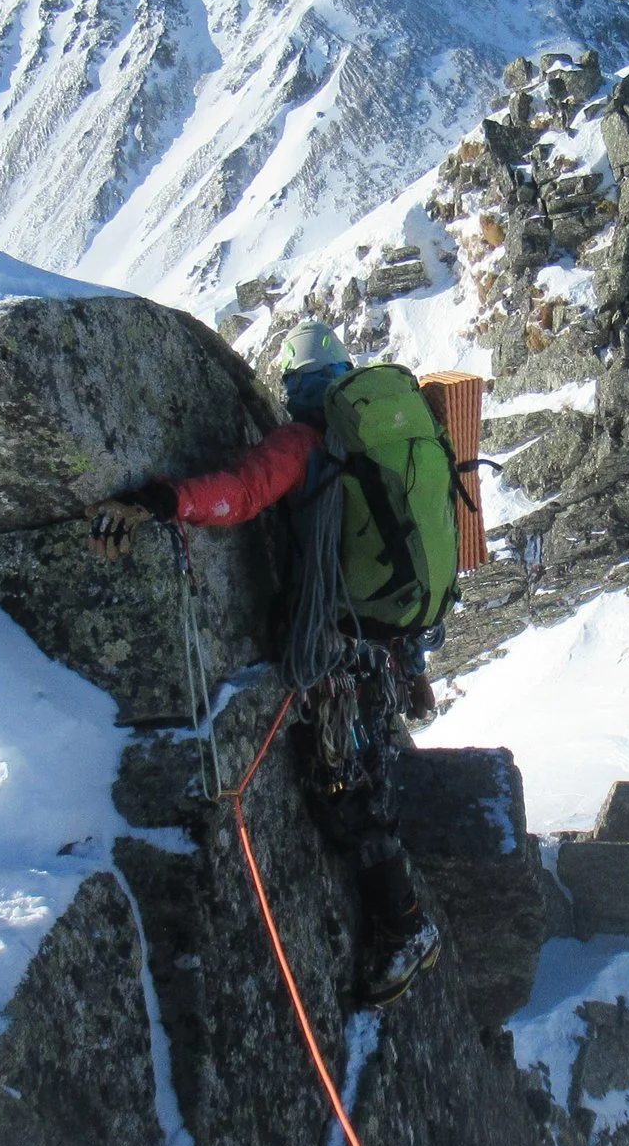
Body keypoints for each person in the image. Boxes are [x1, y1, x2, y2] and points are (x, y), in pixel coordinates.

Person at [89, 322, 446, 1007]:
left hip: (335, 647)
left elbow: (242, 493)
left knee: (342, 792)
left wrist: (163, 500)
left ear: (294, 386)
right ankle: (401, 921)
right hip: (378, 645)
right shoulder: (382, 435)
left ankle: (406, 927)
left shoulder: (305, 443)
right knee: (364, 776)